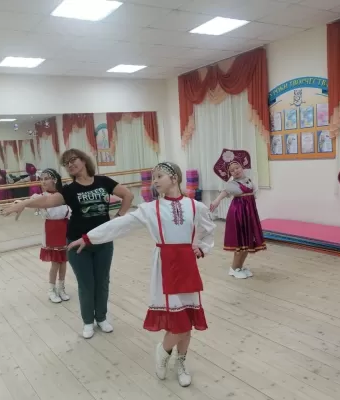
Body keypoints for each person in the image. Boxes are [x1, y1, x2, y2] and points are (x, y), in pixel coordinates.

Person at [67, 162, 215, 388]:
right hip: (165, 266)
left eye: (159, 176)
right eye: (153, 177)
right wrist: (88, 238)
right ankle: (163, 352)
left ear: (174, 178)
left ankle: (181, 362)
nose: (154, 181)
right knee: (179, 324)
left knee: (187, 321)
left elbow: (209, 228)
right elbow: (120, 225)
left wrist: (202, 248)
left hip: (187, 265)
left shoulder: (195, 206)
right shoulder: (150, 209)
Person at [0, 148, 134, 339]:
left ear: (84, 160)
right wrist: (23, 204)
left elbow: (128, 195)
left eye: (73, 160)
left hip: (103, 240)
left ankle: (101, 318)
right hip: (77, 243)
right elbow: (47, 201)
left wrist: (118, 219)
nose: (70, 164)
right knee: (86, 284)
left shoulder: (103, 181)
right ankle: (88, 321)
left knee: (102, 281)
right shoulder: (69, 190)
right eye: (66, 163)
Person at [210, 149, 266, 279]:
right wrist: (216, 201)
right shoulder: (231, 184)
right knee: (240, 243)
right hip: (238, 214)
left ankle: (239, 267)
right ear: (229, 173)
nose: (236, 171)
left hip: (249, 213)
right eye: (232, 170)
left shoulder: (249, 181)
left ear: (242, 167)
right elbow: (224, 193)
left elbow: (254, 194)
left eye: (237, 167)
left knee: (247, 242)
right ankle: (234, 268)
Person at [27, 168, 71, 303]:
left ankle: (61, 288)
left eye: (46, 179)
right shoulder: (41, 197)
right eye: (41, 179)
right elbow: (28, 203)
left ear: (55, 180)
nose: (43, 182)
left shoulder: (64, 195)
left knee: (63, 261)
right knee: (55, 263)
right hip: (51, 230)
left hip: (65, 229)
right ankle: (51, 290)